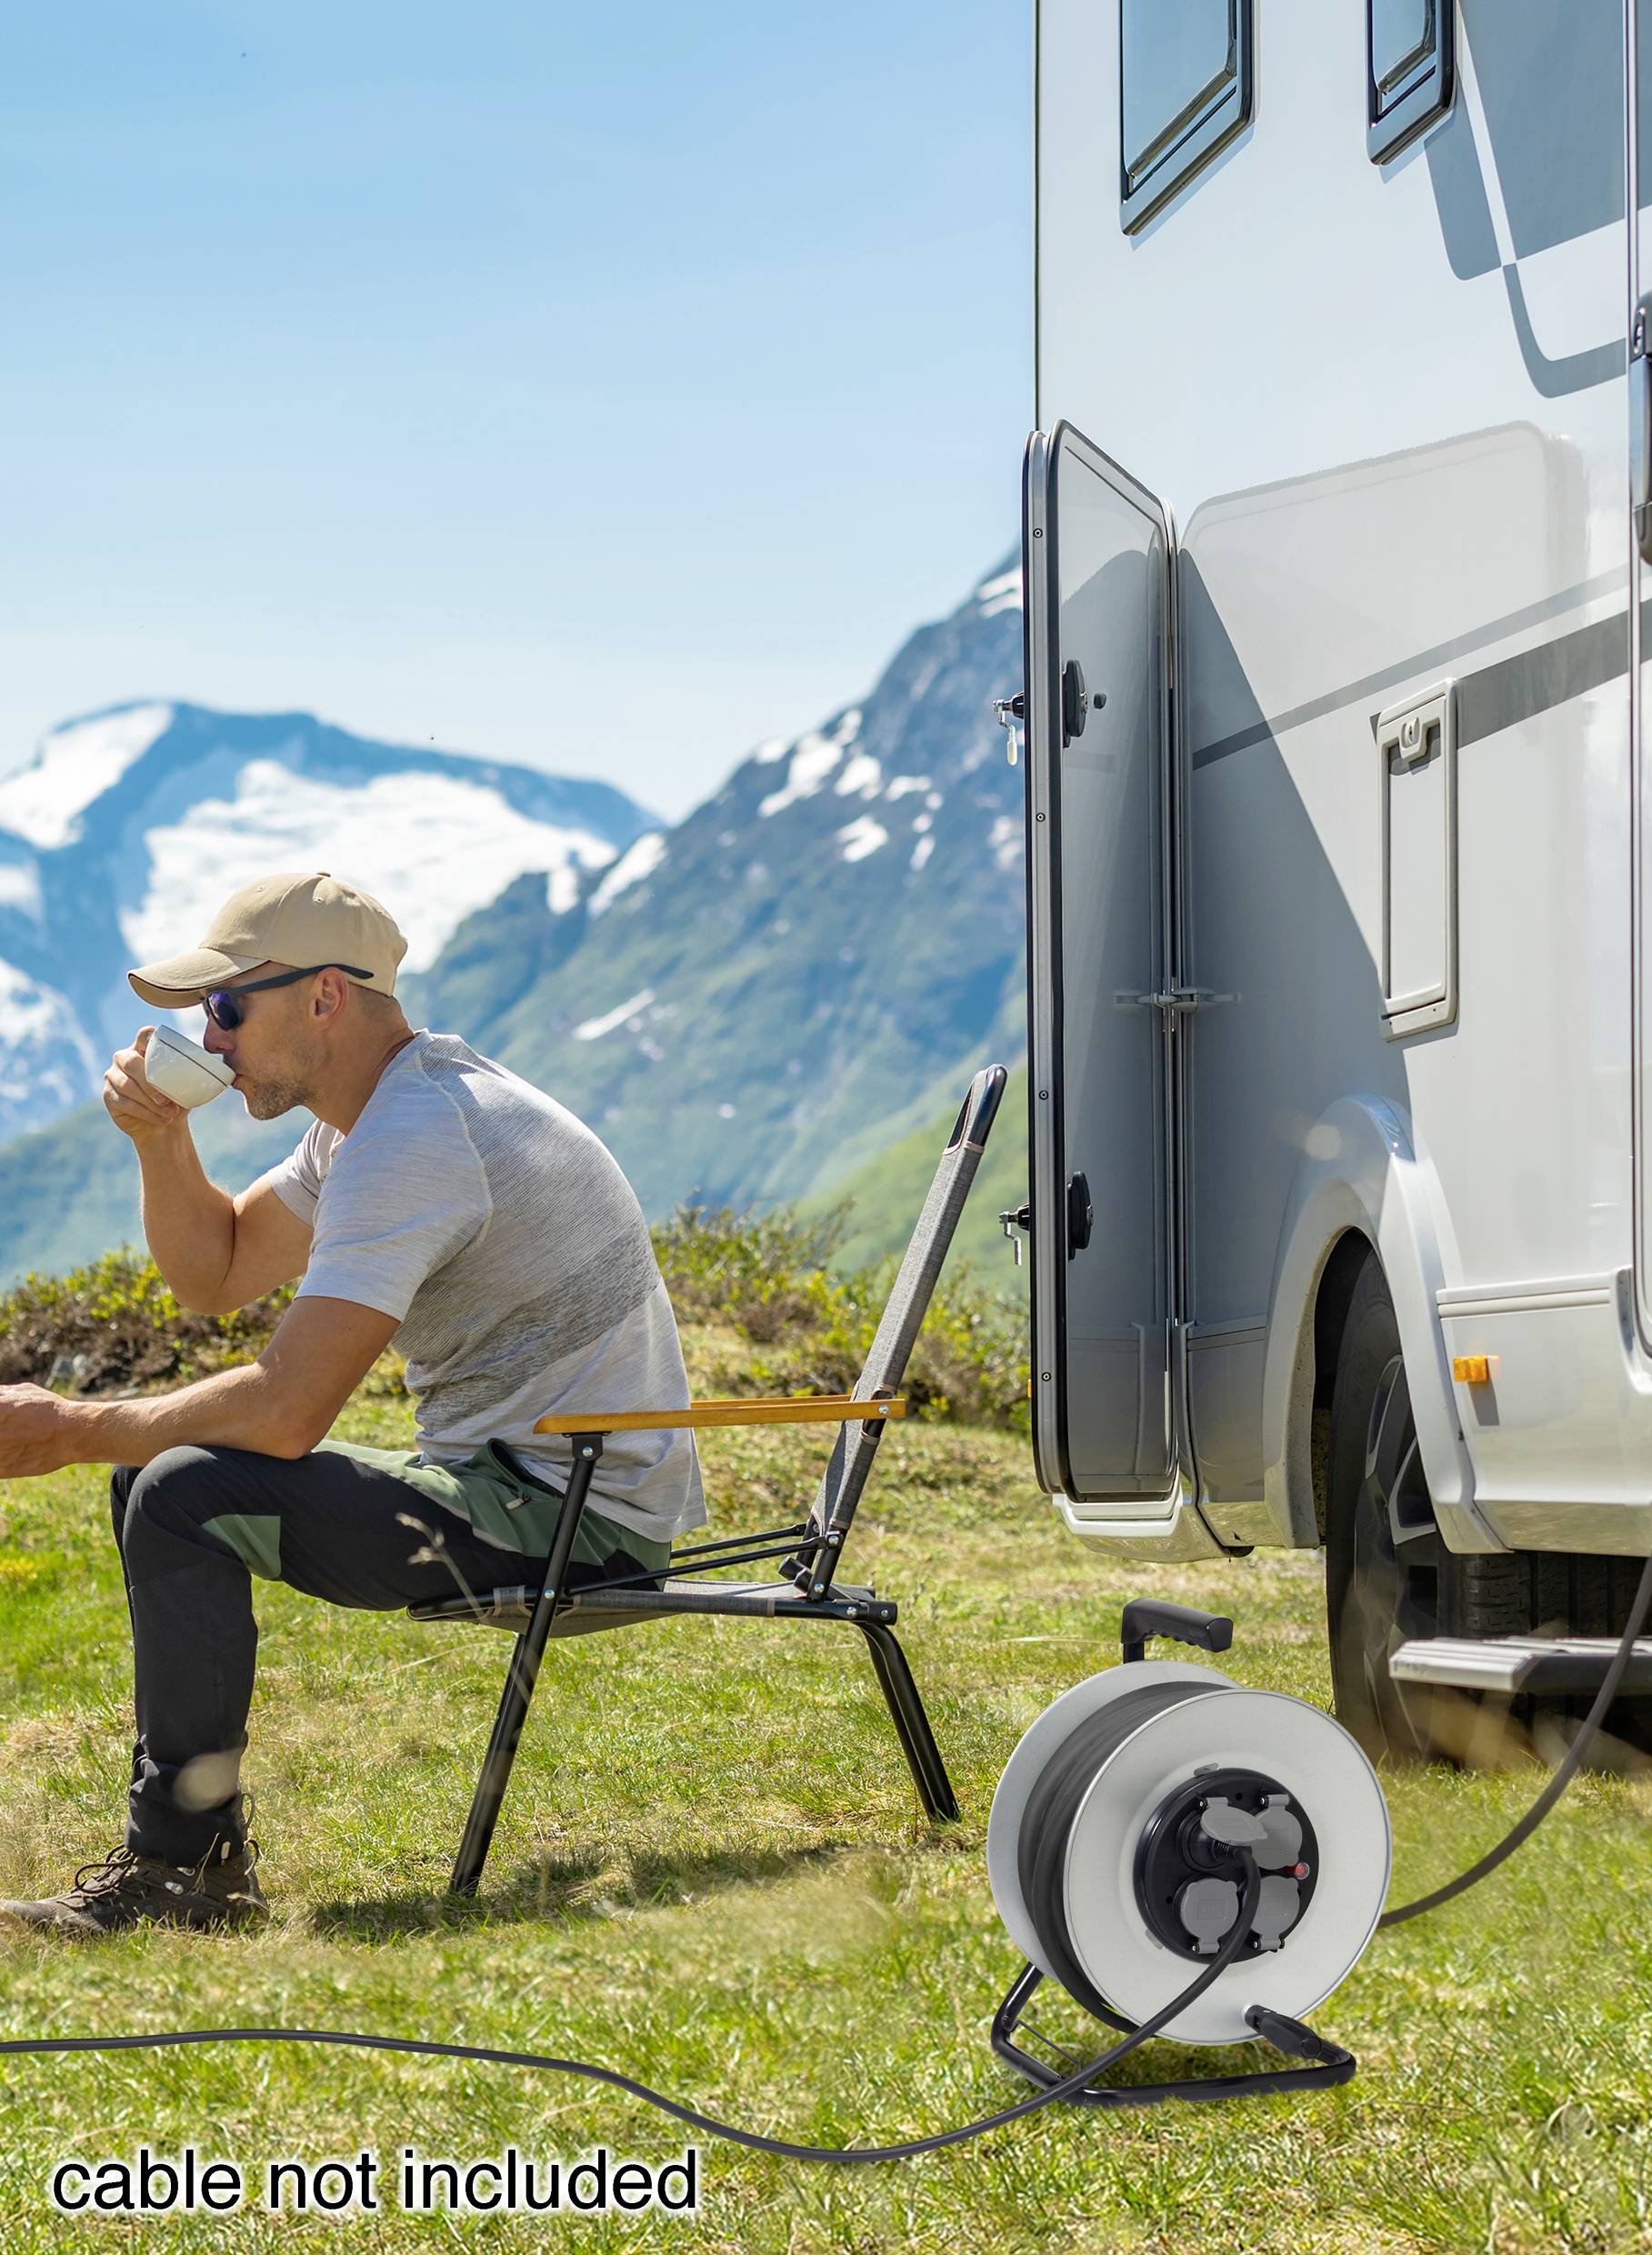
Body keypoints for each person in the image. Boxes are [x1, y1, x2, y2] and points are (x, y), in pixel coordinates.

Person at [0, 870, 705, 1937]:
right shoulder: (372, 1120)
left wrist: (69, 1428)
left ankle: (182, 1874)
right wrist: (160, 1138)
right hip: (525, 1489)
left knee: (177, 1485)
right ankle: (193, 1863)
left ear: (325, 996)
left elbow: (287, 1411)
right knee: (157, 1468)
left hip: (577, 1519)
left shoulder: (416, 1134)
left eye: (227, 1007)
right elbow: (219, 1271)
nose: (210, 1036)